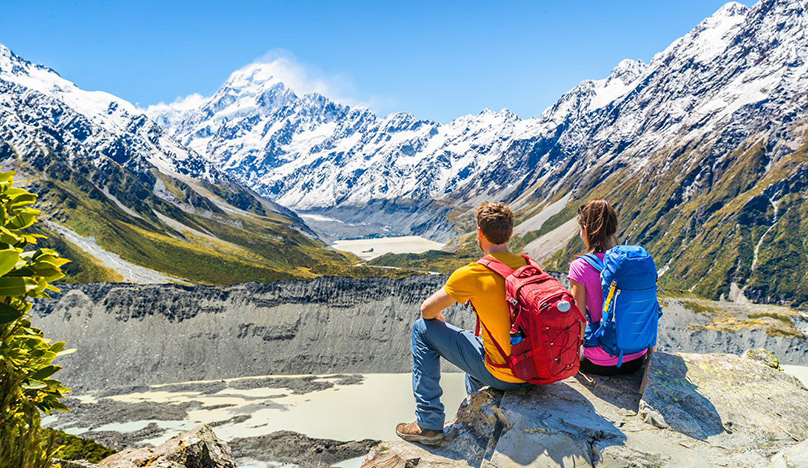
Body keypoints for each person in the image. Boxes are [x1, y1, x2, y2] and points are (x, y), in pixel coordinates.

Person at [395, 202, 531, 446]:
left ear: (480, 233)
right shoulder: (530, 267)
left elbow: (427, 310)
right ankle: (477, 408)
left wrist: (436, 318)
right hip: (535, 371)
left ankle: (428, 424)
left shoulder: (472, 274)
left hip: (505, 375)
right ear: (511, 233)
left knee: (421, 329)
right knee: (478, 342)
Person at [568, 199, 647, 375]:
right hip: (636, 357)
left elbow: (578, 319)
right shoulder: (630, 262)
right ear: (613, 229)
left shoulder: (580, 266)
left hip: (601, 361)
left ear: (585, 230)